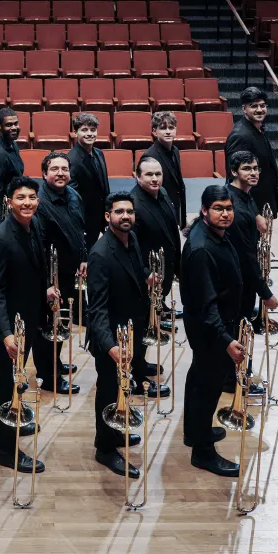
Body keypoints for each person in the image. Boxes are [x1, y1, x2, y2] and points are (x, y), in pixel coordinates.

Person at [0, 175, 56, 475]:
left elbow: (35, 265)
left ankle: (9, 423)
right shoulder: (1, 238)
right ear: (9, 201)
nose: (27, 203)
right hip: (13, 328)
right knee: (9, 383)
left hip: (31, 316)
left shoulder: (35, 224)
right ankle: (5, 449)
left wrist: (47, 291)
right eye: (20, 198)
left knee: (16, 381)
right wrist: (4, 334)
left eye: (31, 197)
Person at [87, 192, 158, 477]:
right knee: (107, 391)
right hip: (111, 339)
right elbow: (98, 309)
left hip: (132, 330)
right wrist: (110, 347)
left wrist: (146, 276)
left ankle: (115, 432)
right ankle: (104, 448)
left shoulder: (131, 239)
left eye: (129, 211)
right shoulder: (100, 254)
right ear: (108, 217)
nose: (125, 216)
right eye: (119, 212)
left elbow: (135, 268)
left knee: (122, 389)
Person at [180, 185, 243, 478]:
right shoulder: (202, 248)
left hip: (209, 327)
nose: (225, 213)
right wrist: (227, 339)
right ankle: (202, 453)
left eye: (228, 208)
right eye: (218, 208)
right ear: (204, 210)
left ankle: (195, 432)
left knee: (199, 380)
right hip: (210, 329)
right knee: (208, 388)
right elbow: (207, 304)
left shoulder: (214, 236)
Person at [223, 151, 278, 394]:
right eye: (247, 169)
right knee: (237, 328)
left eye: (256, 168)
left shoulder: (244, 196)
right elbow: (246, 257)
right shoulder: (234, 205)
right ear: (234, 172)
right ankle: (233, 379)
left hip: (243, 277)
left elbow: (251, 207)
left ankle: (241, 372)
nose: (254, 173)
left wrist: (257, 216)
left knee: (241, 325)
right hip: (237, 279)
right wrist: (266, 294)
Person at [32, 151, 83, 395]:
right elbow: (38, 248)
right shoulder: (39, 203)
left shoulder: (73, 195)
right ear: (44, 174)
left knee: (60, 322)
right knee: (47, 327)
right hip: (50, 277)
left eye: (64, 169)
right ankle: (48, 376)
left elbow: (80, 230)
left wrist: (83, 257)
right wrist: (45, 285)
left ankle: (57, 362)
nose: (61, 173)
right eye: (55, 169)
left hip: (69, 273)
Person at [129, 155, 182, 378]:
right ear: (137, 177)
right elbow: (132, 246)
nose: (154, 179)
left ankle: (140, 361)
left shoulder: (164, 194)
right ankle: (135, 368)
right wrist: (145, 273)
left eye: (158, 174)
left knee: (149, 319)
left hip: (163, 272)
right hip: (144, 277)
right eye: (149, 174)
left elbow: (172, 233)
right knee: (140, 322)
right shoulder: (134, 204)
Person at [224, 87, 278, 217]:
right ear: (244, 109)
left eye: (262, 105)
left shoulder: (257, 129)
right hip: (249, 207)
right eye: (254, 106)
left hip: (261, 201)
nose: (260, 110)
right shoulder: (240, 136)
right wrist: (255, 214)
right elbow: (235, 178)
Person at [68, 113, 110, 252]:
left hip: (102, 218)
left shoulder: (99, 153)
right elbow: (74, 198)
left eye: (93, 130)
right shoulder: (72, 160)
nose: (90, 134)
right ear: (75, 132)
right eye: (84, 130)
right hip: (85, 222)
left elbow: (104, 187)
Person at [138, 112, 187, 229]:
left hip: (173, 206)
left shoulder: (175, 150)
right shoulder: (150, 156)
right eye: (163, 128)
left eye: (171, 127)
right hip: (159, 209)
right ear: (155, 132)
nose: (168, 131)